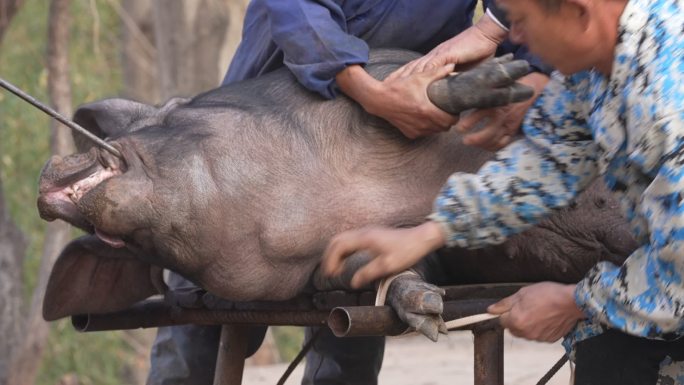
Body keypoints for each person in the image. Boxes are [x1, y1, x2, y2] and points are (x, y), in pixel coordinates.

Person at [147, 1, 552, 385]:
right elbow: (298, 12)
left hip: (382, 160)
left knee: (350, 341)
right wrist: (370, 92)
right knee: (194, 332)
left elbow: (518, 21)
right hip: (256, 148)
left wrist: (532, 69)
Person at [323, 0, 684, 383]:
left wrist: (573, 301)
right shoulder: (596, 67)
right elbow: (548, 160)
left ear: (579, 13)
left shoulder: (667, 102)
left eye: (522, 20)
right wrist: (429, 233)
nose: (516, 36)